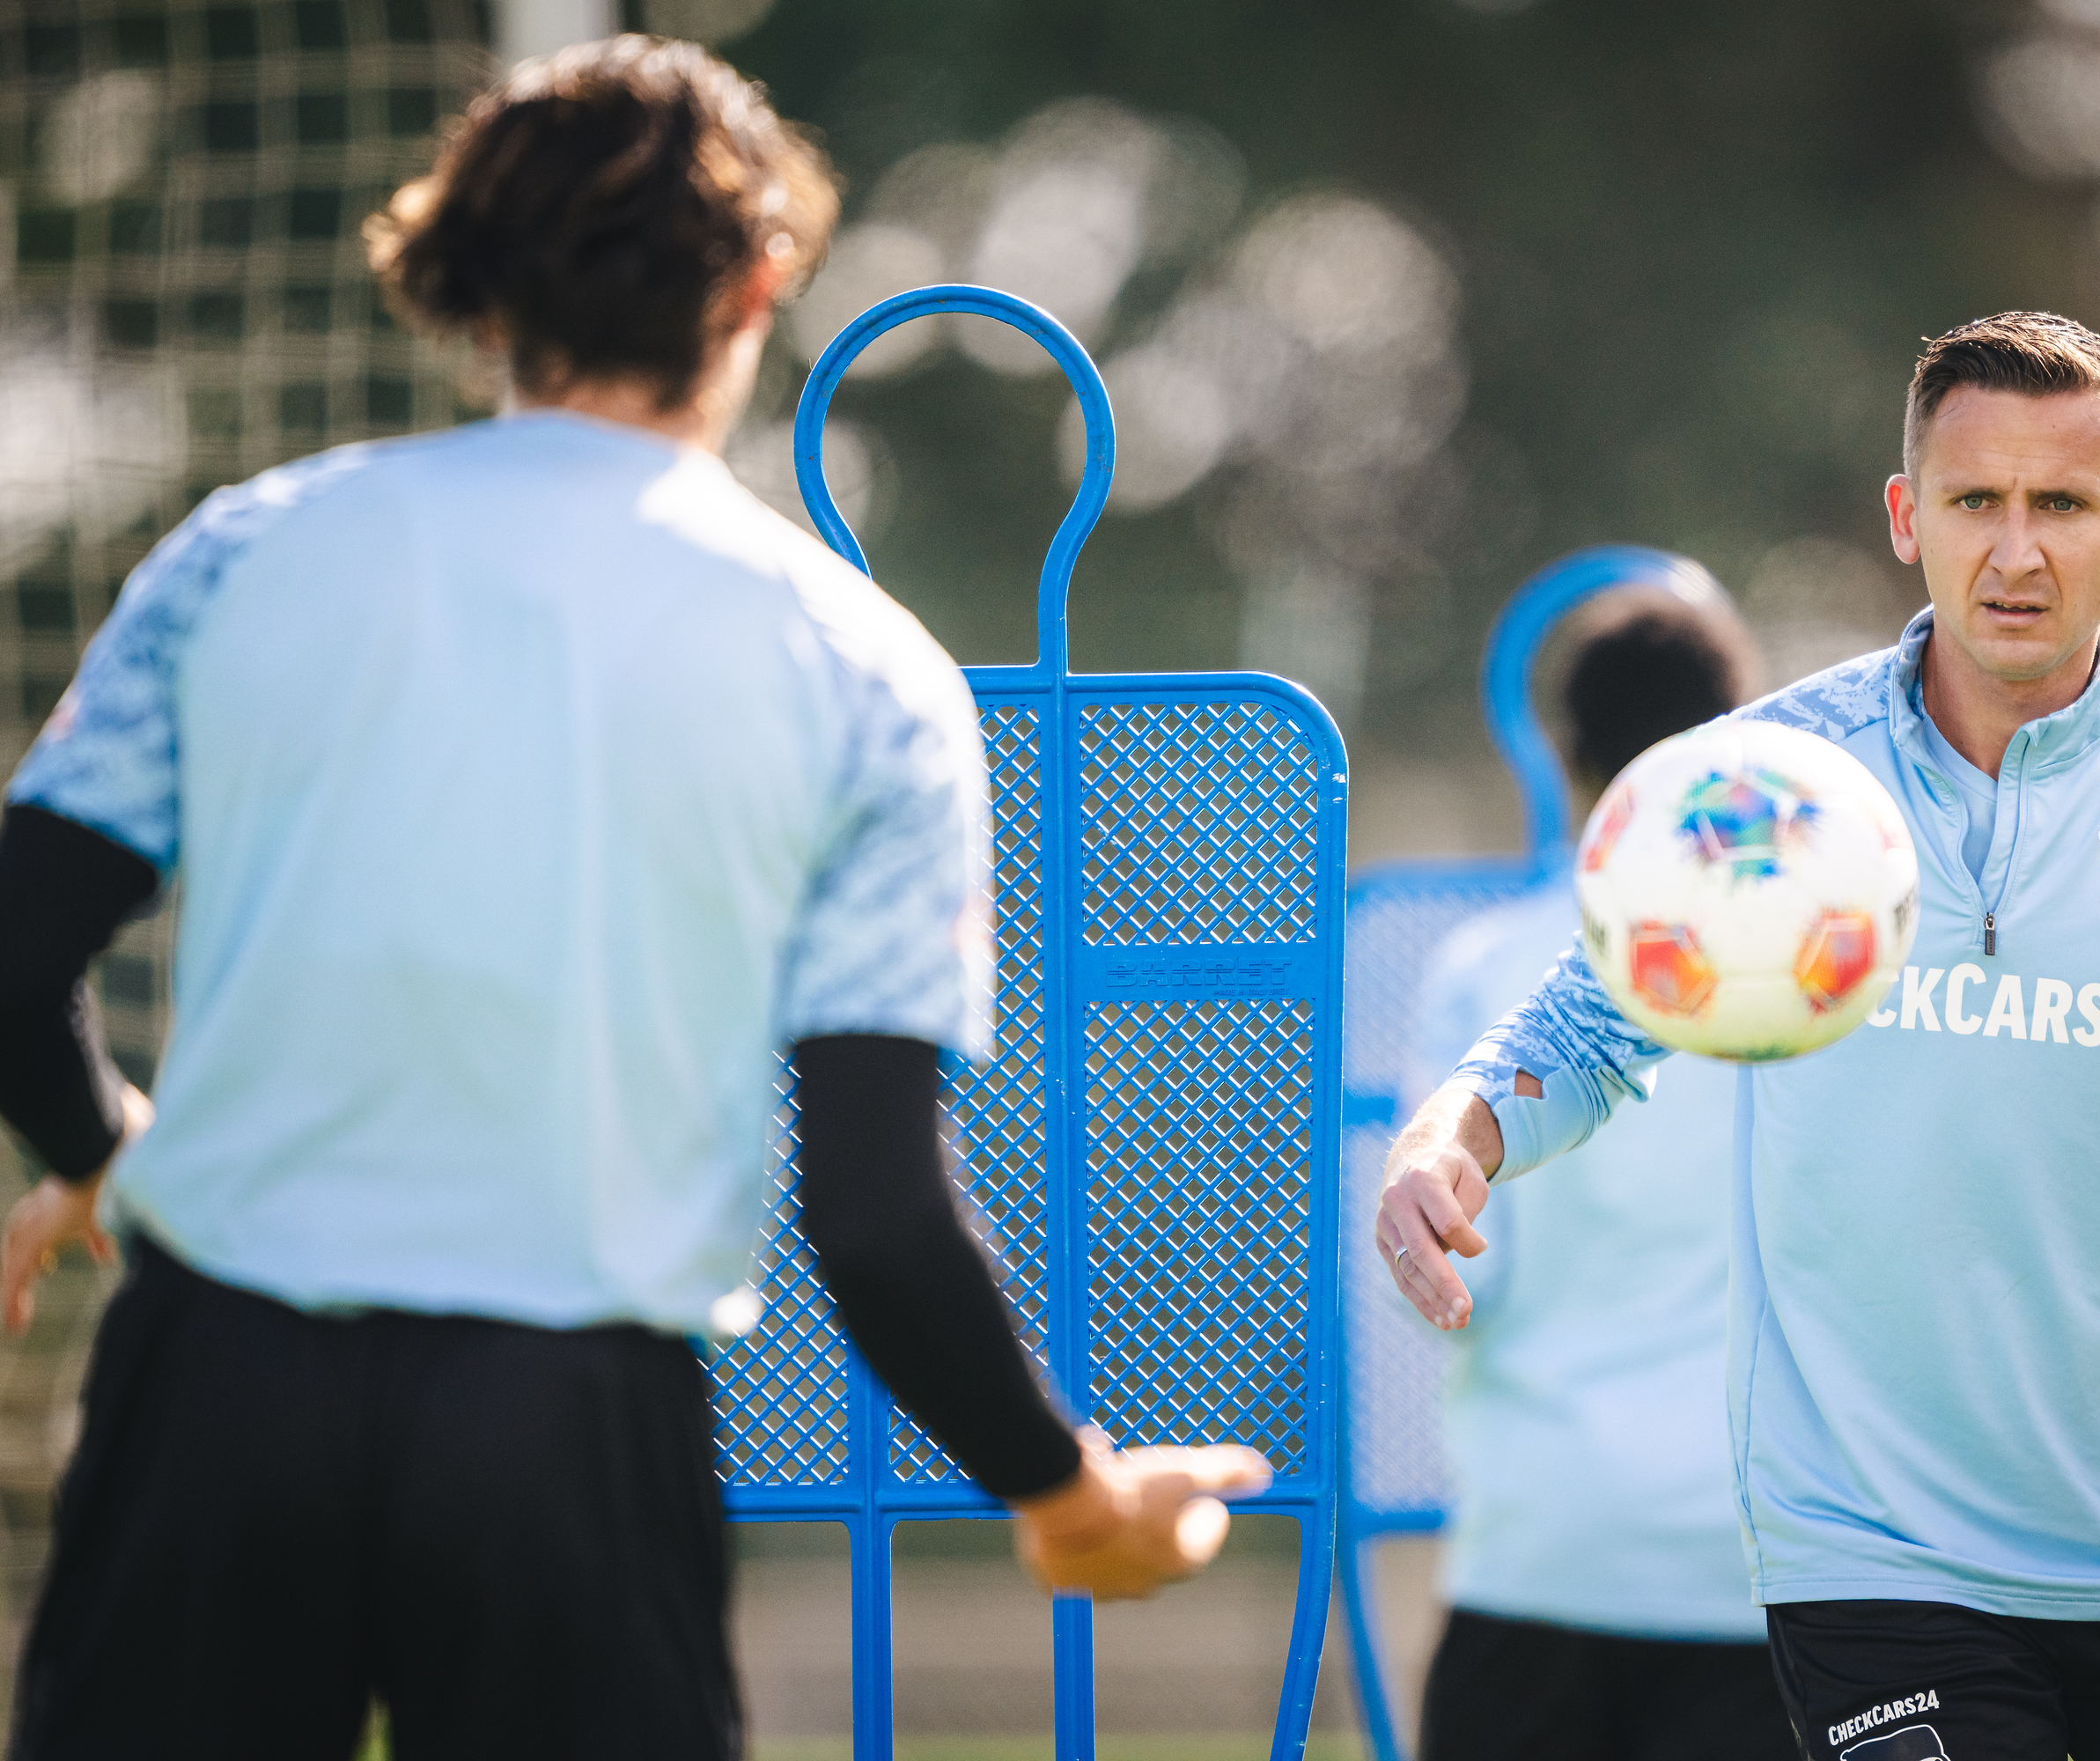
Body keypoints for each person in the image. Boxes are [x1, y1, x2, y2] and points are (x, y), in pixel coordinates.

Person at [0, 38, 1260, 1761]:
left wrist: (93, 1151)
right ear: (761, 281)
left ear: (476, 282)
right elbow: (876, 1216)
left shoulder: (242, 551)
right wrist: (1063, 1491)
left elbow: (11, 956)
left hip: (211, 1397)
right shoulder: (865, 672)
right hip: (565, 1436)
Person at [1376, 312, 2100, 1761]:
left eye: (2062, 505)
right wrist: (1455, 1136)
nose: (2017, 554)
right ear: (1909, 518)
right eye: (1976, 504)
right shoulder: (1774, 785)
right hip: (1881, 1561)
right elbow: (1584, 1026)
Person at [1408, 587, 1799, 1761]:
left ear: (1569, 759)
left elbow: (1453, 1282)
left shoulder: (1480, 974)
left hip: (1539, 1562)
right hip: (1767, 1577)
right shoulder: (1824, 976)